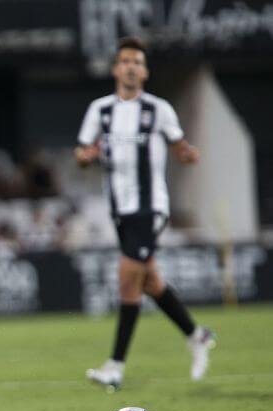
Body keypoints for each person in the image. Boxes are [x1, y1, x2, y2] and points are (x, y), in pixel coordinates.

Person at [75, 36, 215, 390]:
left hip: (150, 207)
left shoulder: (159, 110)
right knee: (150, 281)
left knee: (127, 279)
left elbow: (180, 145)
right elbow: (81, 153)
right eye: (125, 61)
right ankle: (196, 334)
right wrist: (86, 158)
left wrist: (187, 154)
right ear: (115, 68)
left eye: (137, 61)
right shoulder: (100, 110)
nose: (131, 67)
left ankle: (115, 367)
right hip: (119, 210)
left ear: (145, 70)